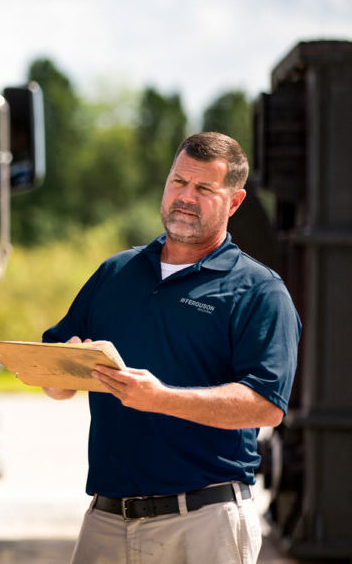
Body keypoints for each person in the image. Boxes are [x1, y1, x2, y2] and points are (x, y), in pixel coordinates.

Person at [42, 132, 300, 564]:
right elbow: (56, 379)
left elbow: (265, 405)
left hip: (204, 523)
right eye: (178, 182)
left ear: (234, 203)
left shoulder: (258, 290)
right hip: (107, 519)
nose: (185, 197)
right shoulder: (116, 273)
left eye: (203, 189)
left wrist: (160, 399)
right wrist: (64, 373)